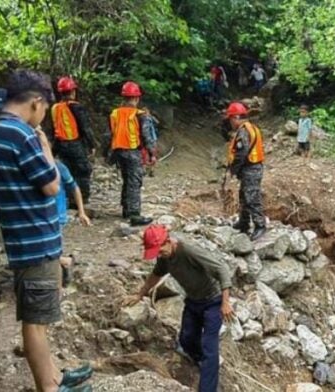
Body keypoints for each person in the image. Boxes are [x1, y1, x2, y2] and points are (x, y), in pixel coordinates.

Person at [0, 70, 92, 392]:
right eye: (43, 112)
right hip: (36, 243)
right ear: (36, 103)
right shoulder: (23, 135)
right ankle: (49, 388)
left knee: (40, 315)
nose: (42, 120)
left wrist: (12, 209)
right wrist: (47, 150)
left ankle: (55, 376)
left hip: (21, 240)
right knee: (36, 324)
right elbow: (53, 186)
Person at [123, 225, 234, 392]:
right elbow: (156, 274)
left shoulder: (189, 251)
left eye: (160, 251)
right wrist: (140, 294)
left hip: (213, 301)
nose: (159, 255)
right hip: (193, 301)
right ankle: (199, 359)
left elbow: (222, 270)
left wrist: (225, 303)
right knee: (186, 339)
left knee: (209, 347)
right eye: (156, 253)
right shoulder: (164, 257)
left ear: (168, 241)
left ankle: (208, 386)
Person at [106, 81, 155, 226]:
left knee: (126, 179)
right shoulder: (140, 115)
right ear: (136, 98)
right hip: (133, 151)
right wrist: (152, 153)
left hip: (118, 151)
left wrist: (106, 153)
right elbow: (146, 136)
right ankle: (134, 213)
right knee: (134, 182)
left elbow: (109, 134)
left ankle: (126, 209)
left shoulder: (115, 113)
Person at [225, 102, 267, 240]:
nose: (230, 122)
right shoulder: (249, 128)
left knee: (251, 197)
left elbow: (241, 153)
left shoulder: (244, 131)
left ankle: (260, 225)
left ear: (235, 117)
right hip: (250, 168)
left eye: (230, 119)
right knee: (244, 195)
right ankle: (244, 223)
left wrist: (233, 170)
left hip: (251, 168)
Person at [51, 76, 95, 205]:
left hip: (60, 144)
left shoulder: (55, 108)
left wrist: (53, 150)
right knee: (82, 170)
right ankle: (82, 199)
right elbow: (85, 127)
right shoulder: (76, 107)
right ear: (73, 92)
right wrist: (91, 144)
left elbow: (54, 128)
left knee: (68, 171)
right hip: (75, 143)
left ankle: (70, 199)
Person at [55, 160, 92, 287]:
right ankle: (65, 263)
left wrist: (81, 212)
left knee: (51, 253)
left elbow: (74, 188)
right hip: (41, 216)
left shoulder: (59, 167)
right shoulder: (32, 165)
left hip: (56, 216)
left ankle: (63, 270)